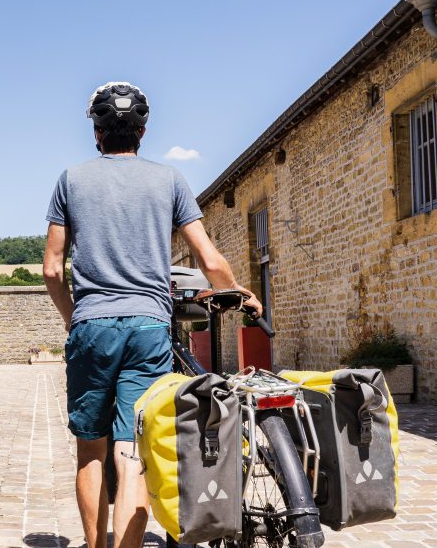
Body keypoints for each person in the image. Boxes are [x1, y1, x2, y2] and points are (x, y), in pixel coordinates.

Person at [42, 81, 263, 548]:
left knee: (91, 449)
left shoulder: (71, 180)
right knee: (135, 449)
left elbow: (51, 269)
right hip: (148, 327)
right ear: (142, 132)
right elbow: (208, 257)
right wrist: (240, 293)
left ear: (96, 133)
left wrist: (72, 317)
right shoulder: (169, 181)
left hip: (92, 325)